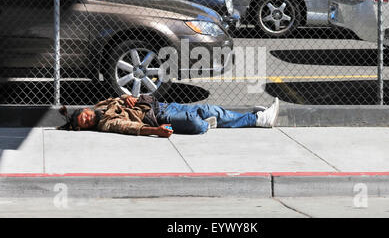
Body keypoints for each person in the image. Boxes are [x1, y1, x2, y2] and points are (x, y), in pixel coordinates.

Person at [58, 94, 280, 138]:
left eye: (84, 116)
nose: (87, 119)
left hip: (160, 105)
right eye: (85, 124)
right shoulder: (106, 123)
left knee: (209, 110)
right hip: (159, 119)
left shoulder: (101, 105)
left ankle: (257, 118)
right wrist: (157, 131)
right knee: (196, 121)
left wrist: (129, 97)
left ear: (85, 110)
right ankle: (259, 119)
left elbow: (123, 98)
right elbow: (132, 128)